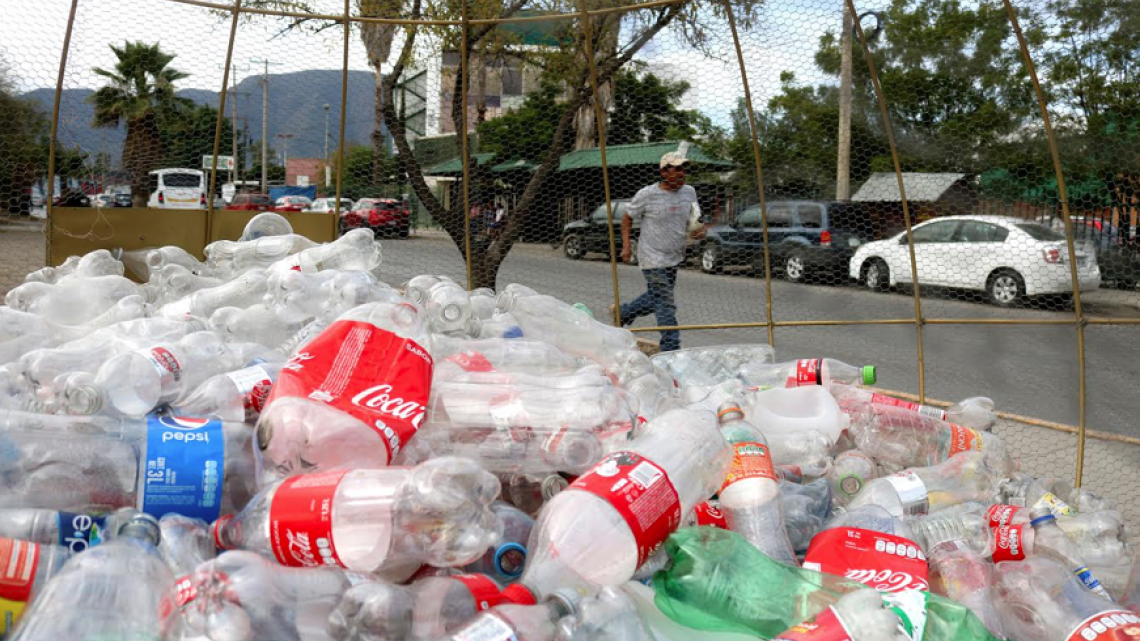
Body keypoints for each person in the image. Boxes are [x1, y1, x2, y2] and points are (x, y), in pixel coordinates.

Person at [615, 152, 705, 352]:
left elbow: (695, 216)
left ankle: (624, 313)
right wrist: (627, 245)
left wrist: (699, 229)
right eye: (677, 169)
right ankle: (670, 348)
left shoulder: (689, 192)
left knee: (655, 298)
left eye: (684, 169)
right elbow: (627, 218)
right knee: (666, 302)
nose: (682, 173)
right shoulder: (647, 194)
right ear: (664, 172)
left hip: (674, 256)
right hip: (652, 257)